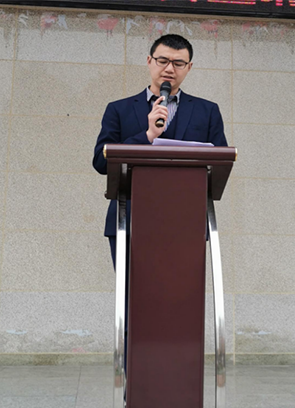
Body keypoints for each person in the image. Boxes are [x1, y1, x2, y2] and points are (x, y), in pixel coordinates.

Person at [92, 33, 228, 266]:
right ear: (149, 61)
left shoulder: (207, 111)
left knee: (182, 289)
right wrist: (147, 136)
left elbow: (220, 165)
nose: (169, 69)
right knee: (132, 289)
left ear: (189, 67)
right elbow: (100, 161)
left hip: (186, 222)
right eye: (162, 61)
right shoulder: (119, 109)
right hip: (130, 219)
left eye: (178, 63)